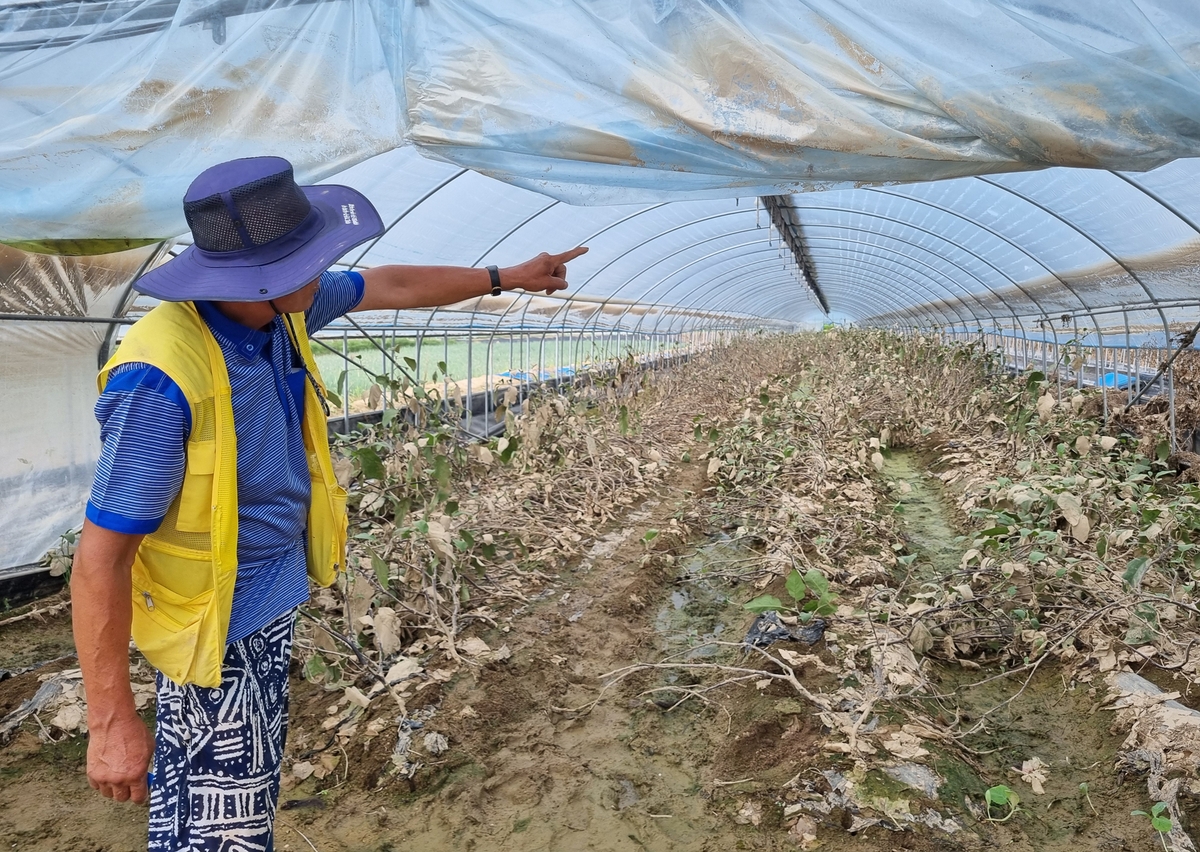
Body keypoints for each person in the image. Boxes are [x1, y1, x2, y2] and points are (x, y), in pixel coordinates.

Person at [70, 155, 586, 850]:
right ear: (266, 275)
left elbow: (391, 283)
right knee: (222, 820)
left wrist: (507, 276)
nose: (330, 266)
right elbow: (99, 561)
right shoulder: (158, 381)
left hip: (263, 593)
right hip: (214, 629)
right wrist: (109, 722)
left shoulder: (278, 309)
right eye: (316, 257)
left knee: (224, 803)